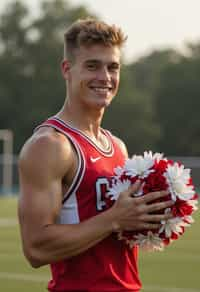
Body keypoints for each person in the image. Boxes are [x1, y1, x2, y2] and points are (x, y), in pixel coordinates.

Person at [18, 18, 173, 292]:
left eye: (113, 67)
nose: (105, 77)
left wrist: (150, 217)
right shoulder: (51, 145)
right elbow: (36, 248)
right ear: (67, 69)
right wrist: (114, 218)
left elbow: (114, 230)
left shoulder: (118, 146)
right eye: (92, 66)